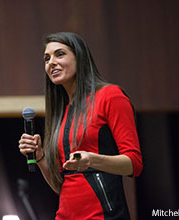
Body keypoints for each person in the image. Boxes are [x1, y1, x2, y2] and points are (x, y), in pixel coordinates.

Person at [18, 32, 143, 220]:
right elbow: (63, 185)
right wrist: (40, 157)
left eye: (60, 54)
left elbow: (134, 163)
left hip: (103, 215)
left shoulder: (110, 96)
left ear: (80, 58)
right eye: (46, 58)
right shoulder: (62, 112)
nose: (51, 62)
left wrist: (92, 160)